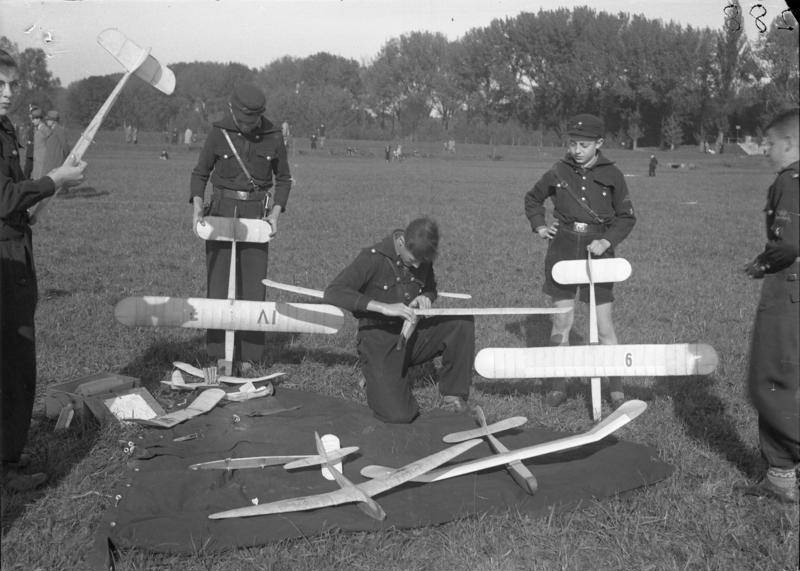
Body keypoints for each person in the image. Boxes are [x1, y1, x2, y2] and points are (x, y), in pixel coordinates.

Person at [0, 49, 87, 492]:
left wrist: (27, 209)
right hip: (5, 260)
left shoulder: (5, 128)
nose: (8, 93)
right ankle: (8, 465)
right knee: (15, 367)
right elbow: (3, 196)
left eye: (12, 85)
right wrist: (54, 181)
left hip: (14, 246)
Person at [524, 113, 636, 409]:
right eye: (572, 143)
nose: (576, 150)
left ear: (599, 144)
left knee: (603, 325)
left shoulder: (613, 174)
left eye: (583, 145)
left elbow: (626, 217)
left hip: (598, 249)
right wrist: (539, 225)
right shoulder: (559, 171)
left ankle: (615, 386)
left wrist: (607, 240)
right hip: (562, 247)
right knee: (562, 321)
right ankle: (559, 384)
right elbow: (533, 199)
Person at [323, 217, 474, 423]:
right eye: (413, 260)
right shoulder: (372, 258)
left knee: (461, 322)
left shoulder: (421, 254)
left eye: (422, 261)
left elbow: (430, 288)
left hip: (411, 333)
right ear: (402, 242)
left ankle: (454, 395)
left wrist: (426, 297)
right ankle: (374, 376)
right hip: (378, 340)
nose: (418, 265)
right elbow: (333, 292)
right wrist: (383, 307)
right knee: (400, 415)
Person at [190, 83, 292, 372]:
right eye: (244, 120)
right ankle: (220, 353)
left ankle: (248, 356)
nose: (248, 125)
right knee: (219, 283)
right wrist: (198, 205)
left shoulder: (273, 136)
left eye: (253, 120)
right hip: (221, 210)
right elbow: (200, 172)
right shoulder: (218, 133)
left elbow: (283, 179)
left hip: (255, 215)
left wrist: (276, 213)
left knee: (252, 284)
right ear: (233, 112)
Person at [736, 108, 799, 504]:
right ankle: (780, 477)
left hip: (789, 290)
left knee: (770, 379)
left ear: (790, 144)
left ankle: (782, 469)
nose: (765, 150)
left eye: (770, 143)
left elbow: (790, 242)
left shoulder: (790, 182)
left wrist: (761, 263)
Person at [40, 110, 70, 176]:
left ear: (53, 121)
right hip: (49, 162)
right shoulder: (51, 130)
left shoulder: (59, 130)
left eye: (48, 120)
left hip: (56, 162)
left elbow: (65, 146)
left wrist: (67, 159)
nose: (46, 121)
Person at [22, 105, 40, 179]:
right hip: (30, 152)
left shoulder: (38, 126)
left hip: (35, 151)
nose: (30, 116)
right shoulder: (31, 125)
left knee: (36, 169)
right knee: (27, 170)